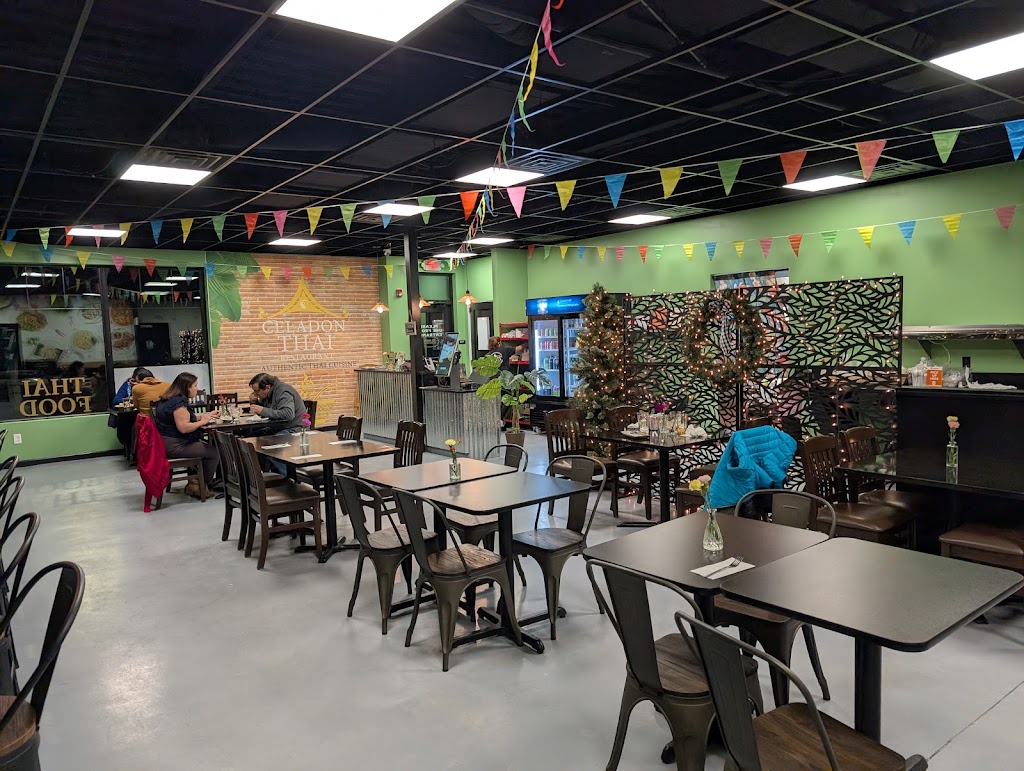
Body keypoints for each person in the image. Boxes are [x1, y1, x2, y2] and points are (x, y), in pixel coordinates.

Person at [152, 372, 220, 497]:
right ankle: (201, 486)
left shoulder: (167, 400)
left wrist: (205, 416)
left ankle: (194, 483)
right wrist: (203, 422)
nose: (197, 389)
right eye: (195, 386)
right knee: (214, 452)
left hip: (164, 443)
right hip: (176, 446)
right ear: (186, 387)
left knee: (204, 447)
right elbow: (183, 428)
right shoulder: (178, 404)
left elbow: (184, 419)